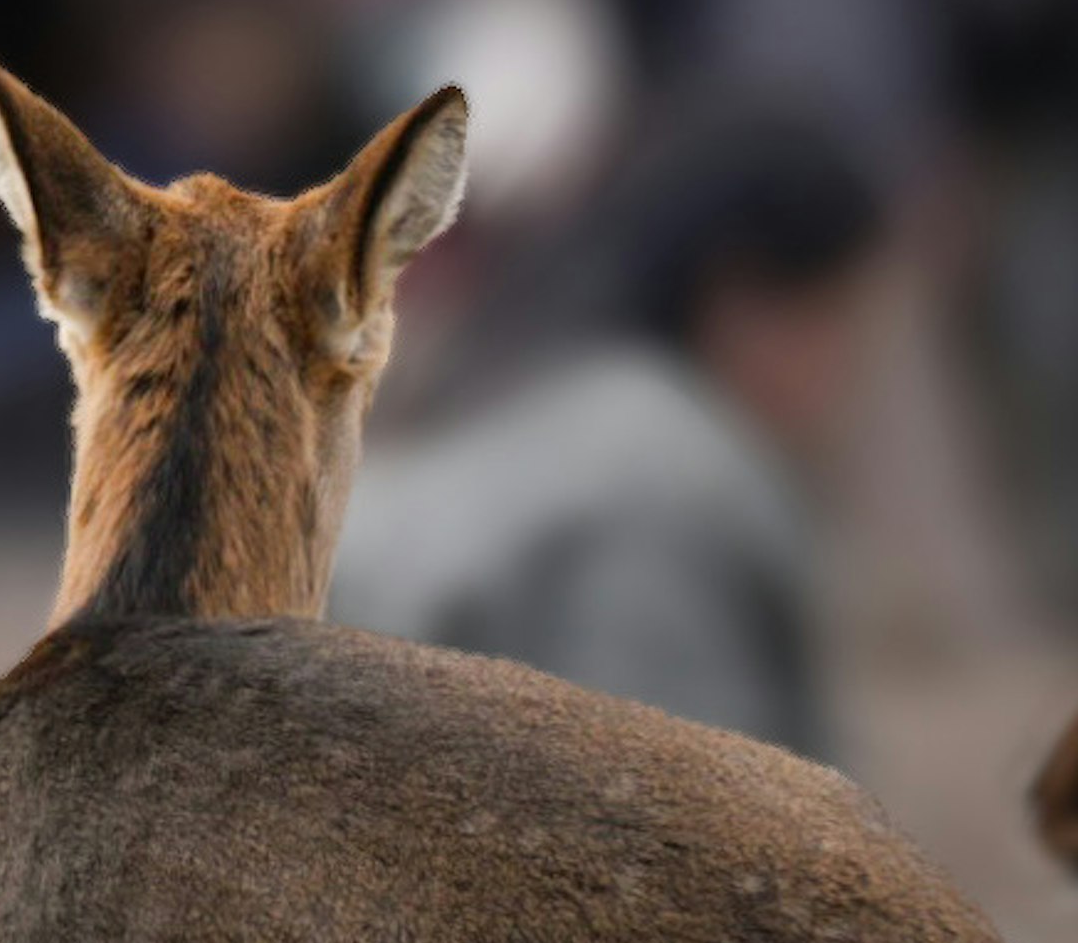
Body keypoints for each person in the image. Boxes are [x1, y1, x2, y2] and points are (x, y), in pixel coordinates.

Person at [326, 103, 884, 761]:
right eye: (838, 318)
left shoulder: (562, 404)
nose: (853, 370)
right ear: (743, 302)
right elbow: (670, 825)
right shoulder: (659, 479)